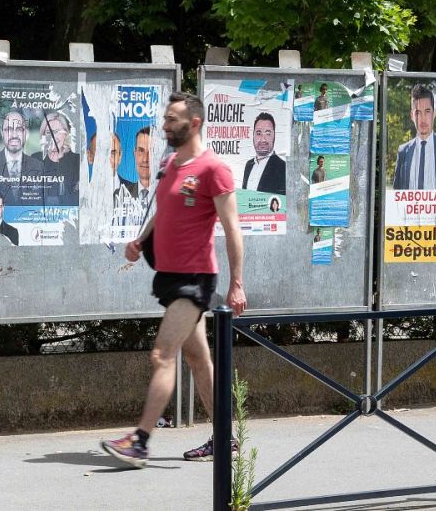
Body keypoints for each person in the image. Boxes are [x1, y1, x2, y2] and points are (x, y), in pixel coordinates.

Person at [101, 92, 245, 468]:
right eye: (165, 118)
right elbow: (163, 212)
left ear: (193, 123)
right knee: (198, 358)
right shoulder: (168, 163)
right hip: (169, 278)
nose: (164, 125)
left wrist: (237, 283)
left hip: (194, 280)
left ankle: (140, 442)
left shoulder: (214, 169)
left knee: (162, 355)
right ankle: (225, 438)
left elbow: (232, 229)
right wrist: (141, 241)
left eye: (172, 119)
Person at [393, 85, 436, 190]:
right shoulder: (403, 151)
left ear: (434, 113)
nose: (423, 119)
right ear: (412, 116)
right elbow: (396, 192)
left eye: (427, 111)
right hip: (411, 206)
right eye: (418, 113)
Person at [0, 109, 43, 205]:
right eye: (9, 129)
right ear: (2, 134)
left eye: (19, 129)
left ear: (26, 134)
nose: (14, 135)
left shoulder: (38, 167)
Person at [33, 109, 81, 203]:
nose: (53, 137)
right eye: (48, 132)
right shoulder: (35, 159)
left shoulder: (76, 160)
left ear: (66, 134)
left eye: (57, 132)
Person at [239, 112, 286, 195]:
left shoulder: (283, 167)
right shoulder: (249, 165)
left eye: (268, 134)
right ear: (253, 135)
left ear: (274, 136)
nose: (263, 139)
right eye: (258, 133)